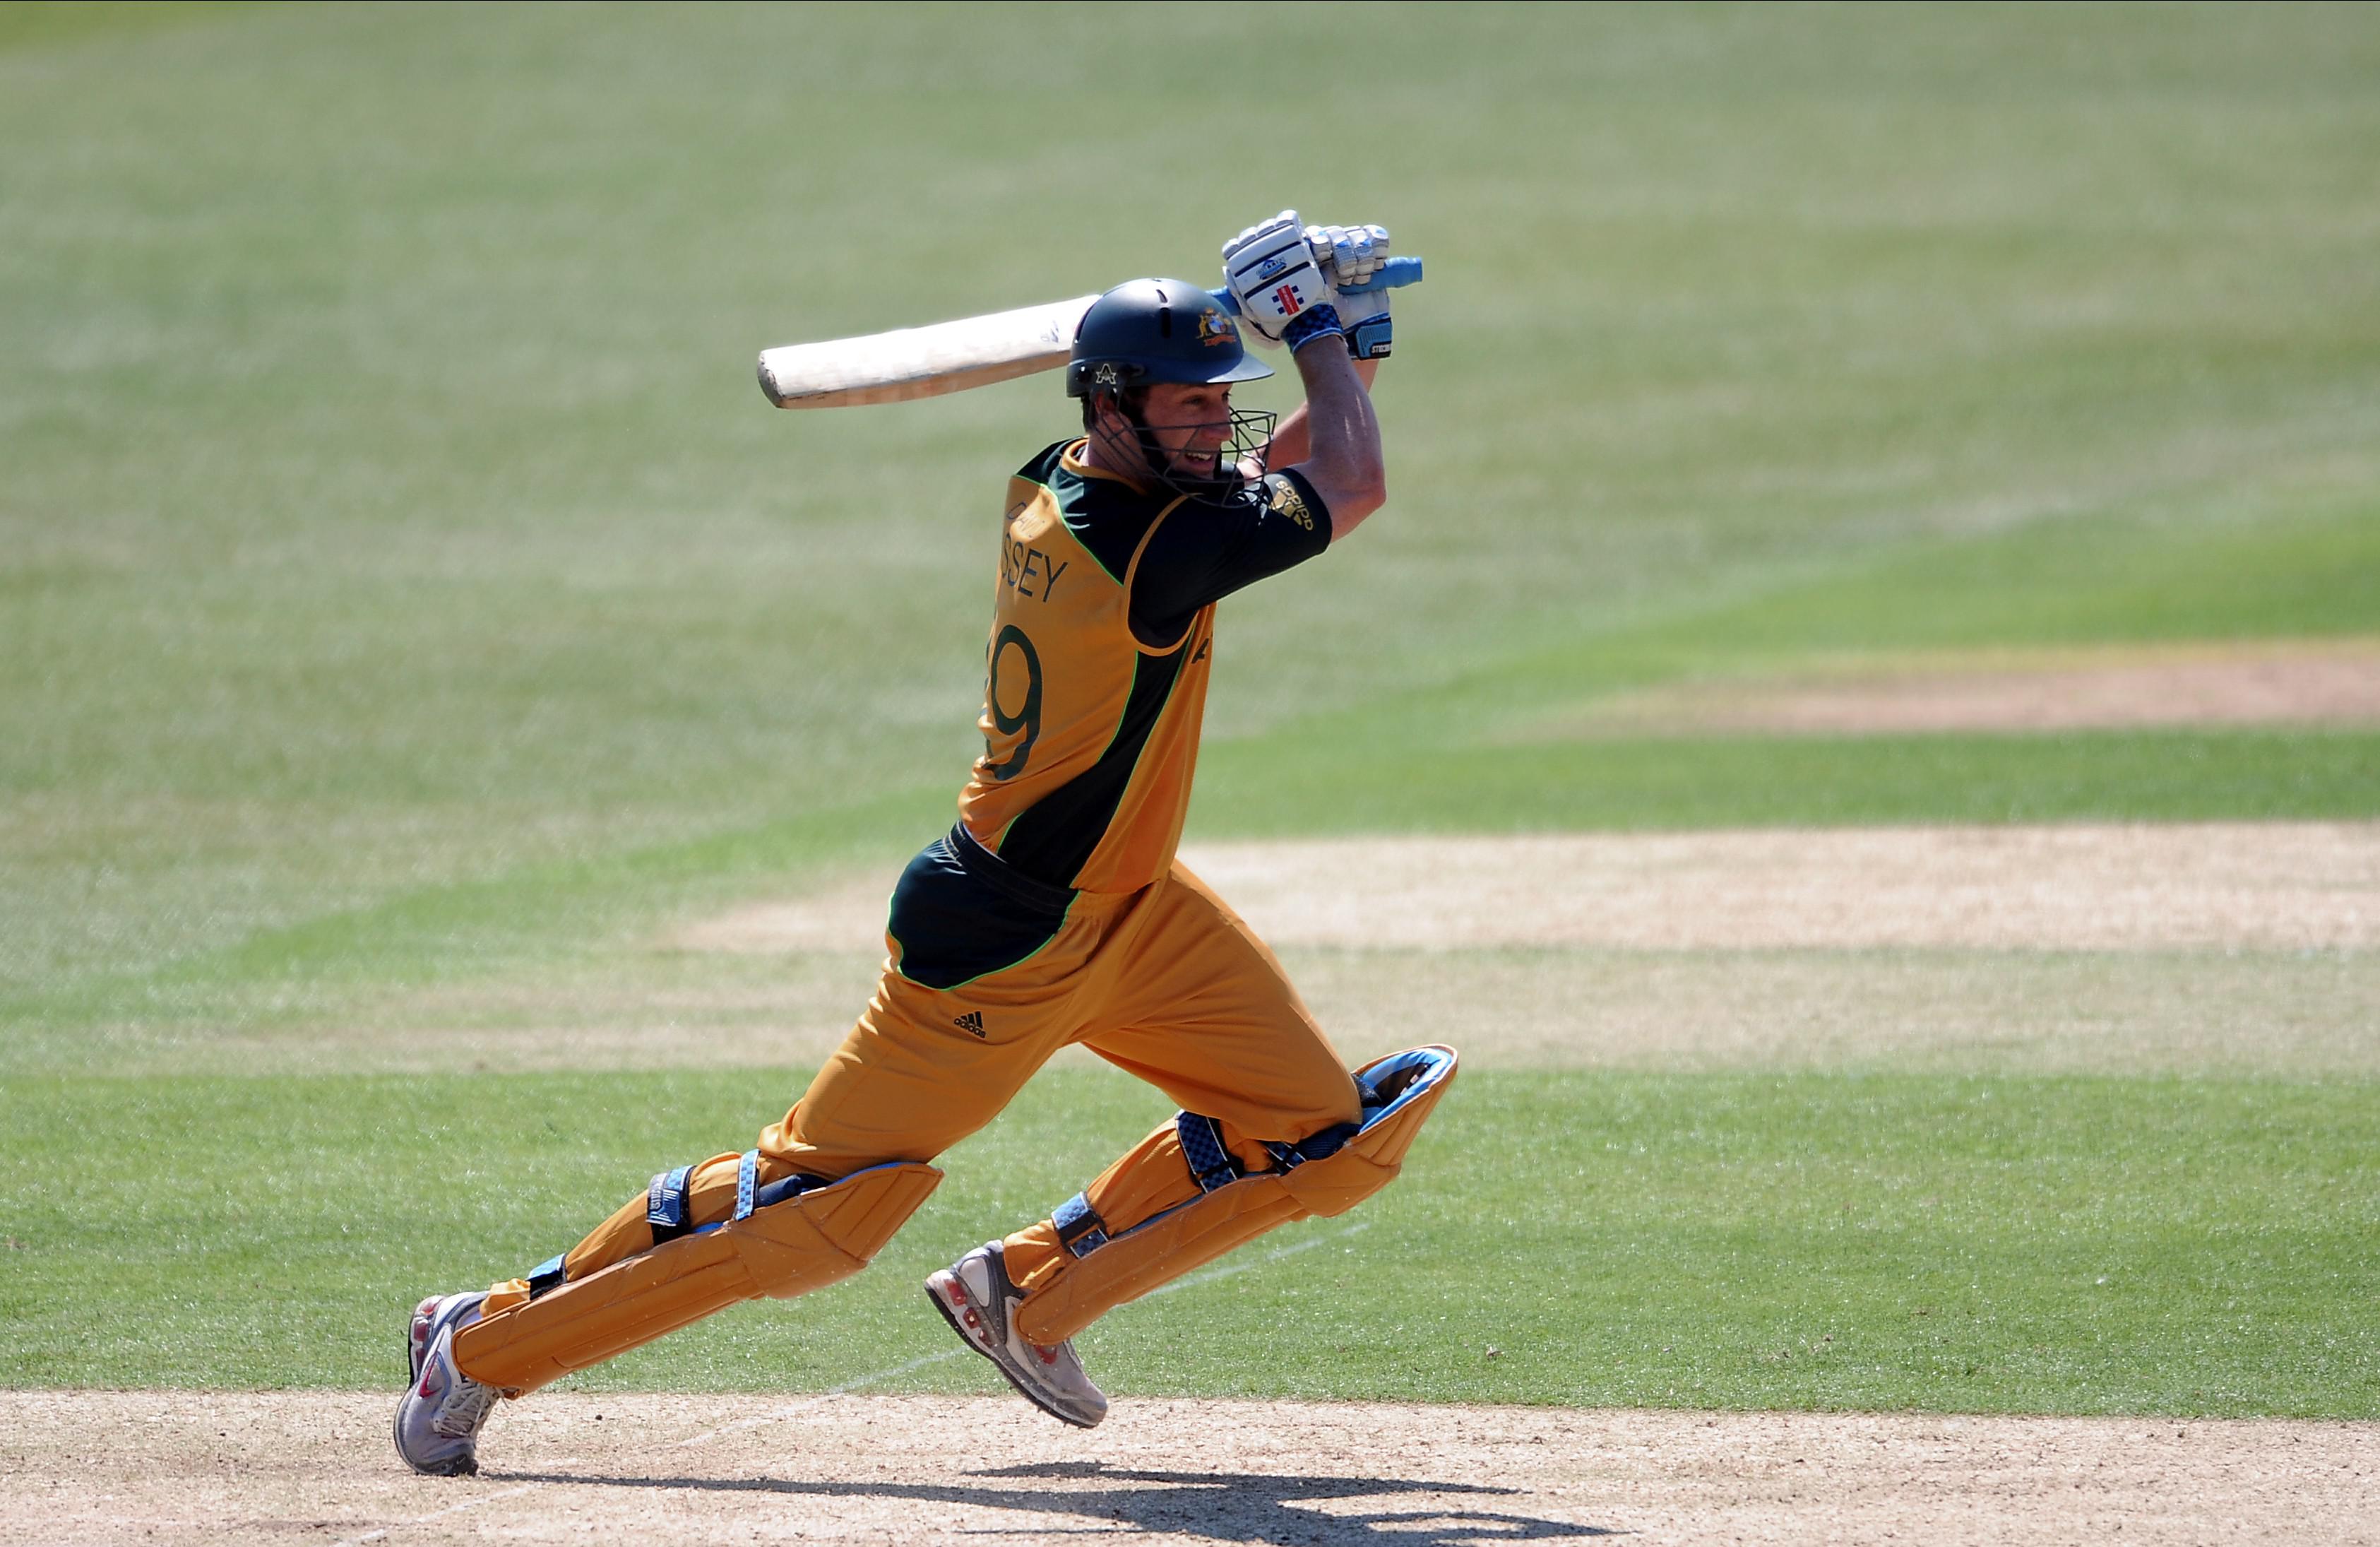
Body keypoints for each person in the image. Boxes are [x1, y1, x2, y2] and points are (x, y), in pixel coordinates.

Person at [394, 212, 1458, 1476]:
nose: (1212, 428)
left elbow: (1297, 478)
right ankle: (481, 1344)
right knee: (813, 1215)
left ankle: (1029, 1293)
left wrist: (1352, 349)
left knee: (1319, 1136)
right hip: (1005, 941)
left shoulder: (1078, 479)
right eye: (1189, 405)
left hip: (1139, 913)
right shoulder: (1145, 546)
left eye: (1220, 401)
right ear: (1112, 405)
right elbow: (1346, 484)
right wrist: (1318, 332)